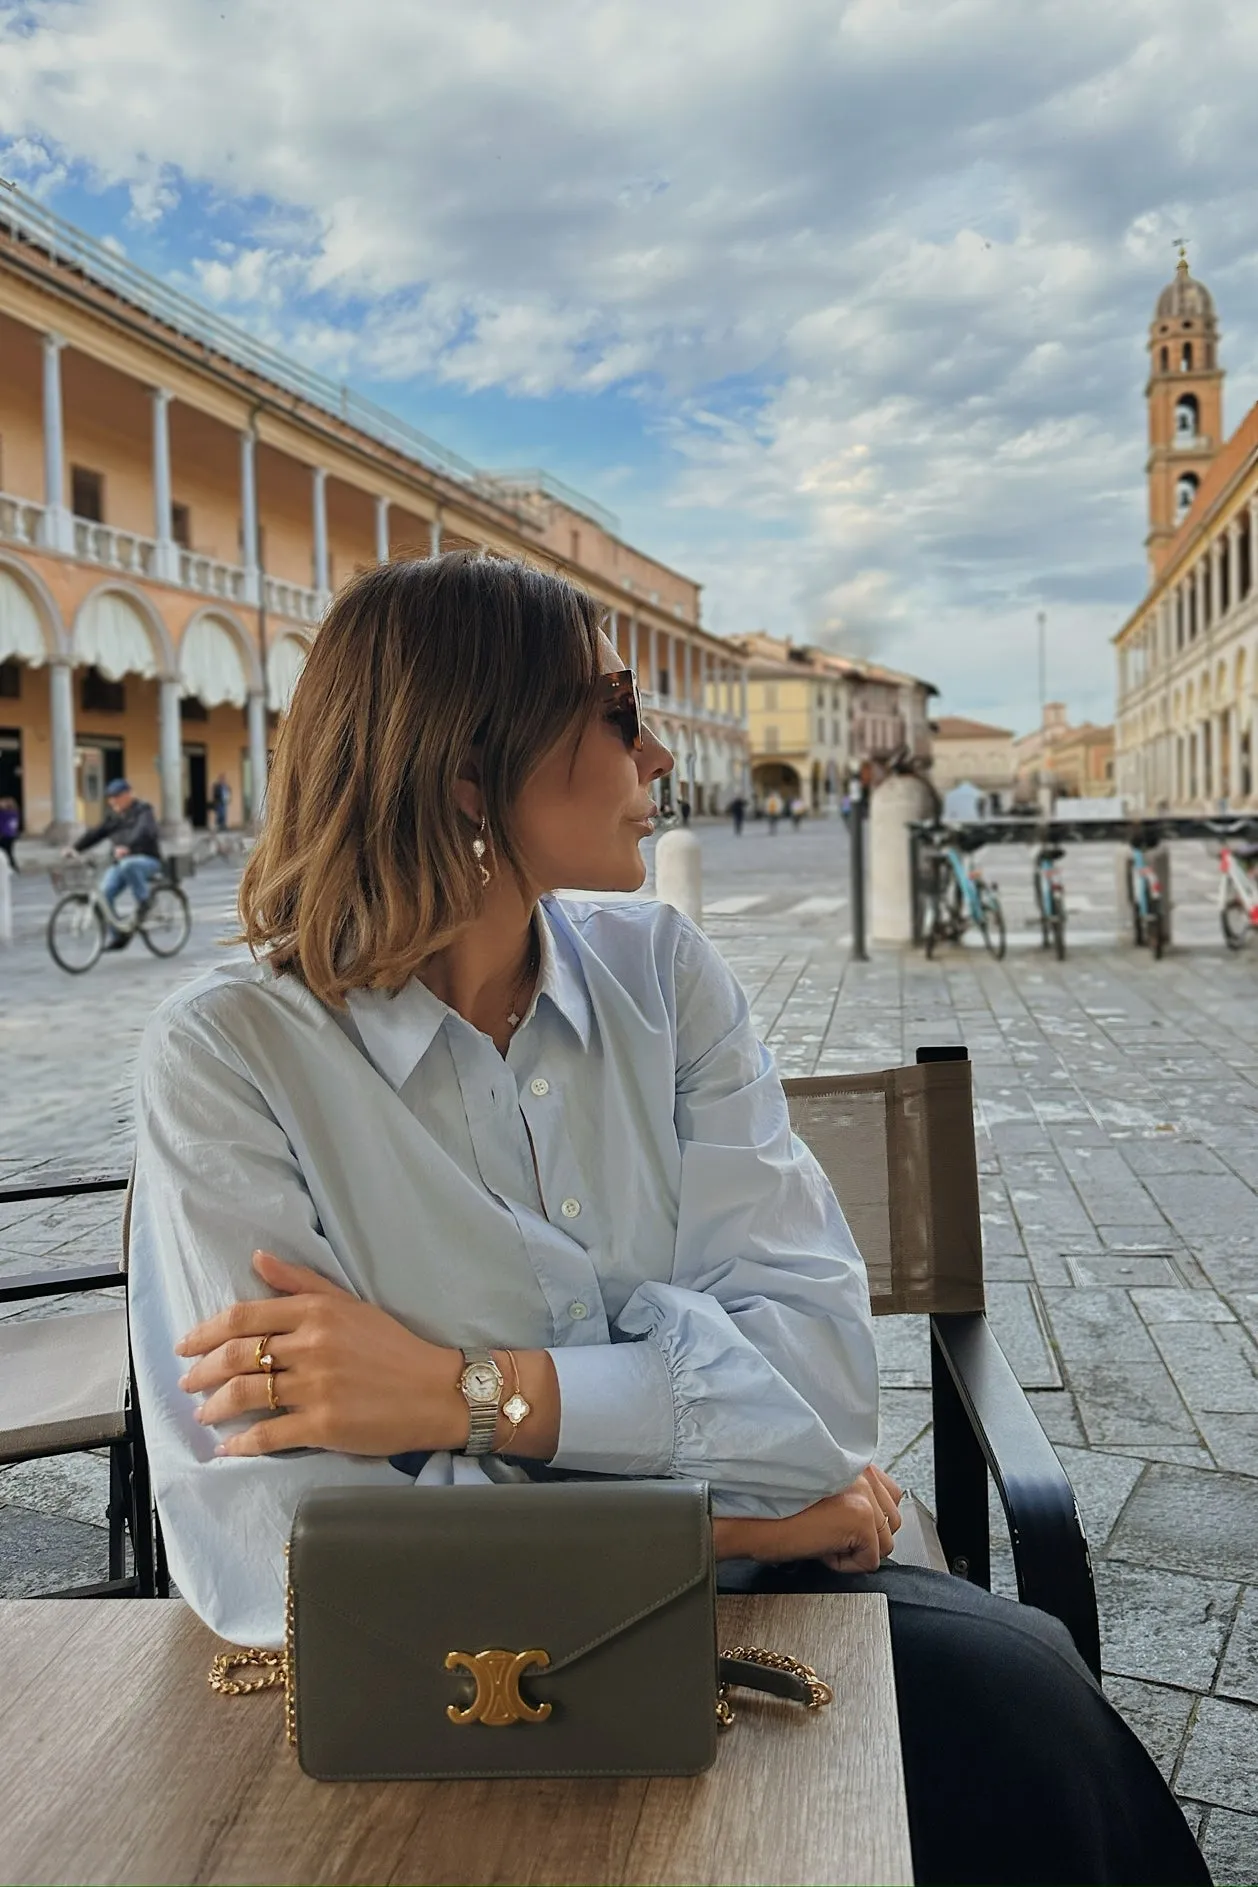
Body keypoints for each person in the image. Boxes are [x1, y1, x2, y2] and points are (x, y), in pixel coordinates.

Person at [130, 556, 1206, 1887]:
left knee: (1031, 1718)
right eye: (614, 708)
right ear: (469, 773)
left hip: (757, 1626)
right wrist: (748, 1513)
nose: (654, 749)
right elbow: (286, 1557)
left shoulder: (664, 973)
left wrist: (459, 1395)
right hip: (441, 1687)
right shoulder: (232, 1057)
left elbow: (817, 1393)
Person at [64, 778, 163, 949]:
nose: (113, 801)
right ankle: (119, 935)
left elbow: (145, 831)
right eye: (110, 797)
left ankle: (145, 902)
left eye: (117, 796)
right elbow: (96, 833)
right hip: (121, 862)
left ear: (128, 794)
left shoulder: (143, 810)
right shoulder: (113, 817)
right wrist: (75, 848)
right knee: (103, 896)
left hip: (147, 860)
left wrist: (128, 847)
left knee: (129, 865)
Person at [0, 797, 20, 871]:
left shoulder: (4, 814)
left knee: (6, 852)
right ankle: (12, 866)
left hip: (5, 835)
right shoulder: (14, 812)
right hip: (12, 835)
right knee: (9, 852)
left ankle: (11, 866)